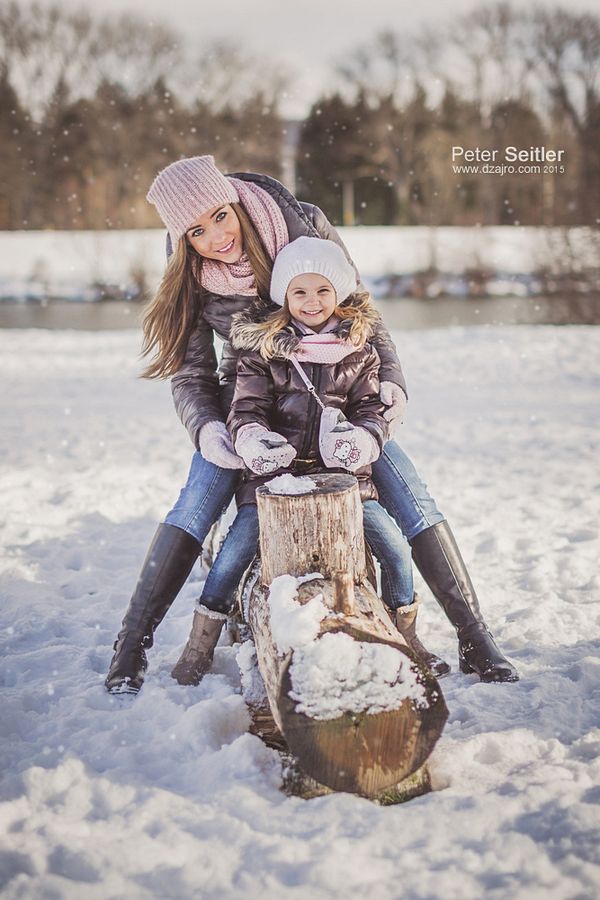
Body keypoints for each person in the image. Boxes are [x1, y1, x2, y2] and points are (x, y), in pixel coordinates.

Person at [104, 155, 517, 694]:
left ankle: (474, 637)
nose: (214, 238)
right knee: (196, 501)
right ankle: (132, 643)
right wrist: (209, 429)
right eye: (195, 231)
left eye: (220, 217)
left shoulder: (303, 226)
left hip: (338, 406)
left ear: (235, 200)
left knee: (411, 496)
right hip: (247, 407)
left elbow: (364, 314)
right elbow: (192, 370)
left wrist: (390, 384)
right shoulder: (192, 272)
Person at [170, 237, 449, 685]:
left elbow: (371, 409)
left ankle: (405, 638)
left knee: (396, 551)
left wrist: (363, 438)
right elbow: (246, 410)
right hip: (276, 484)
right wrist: (254, 439)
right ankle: (200, 642)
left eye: (322, 290)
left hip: (346, 484)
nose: (312, 302)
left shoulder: (358, 349)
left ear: (338, 292)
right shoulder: (264, 349)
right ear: (284, 296)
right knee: (232, 556)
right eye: (299, 292)